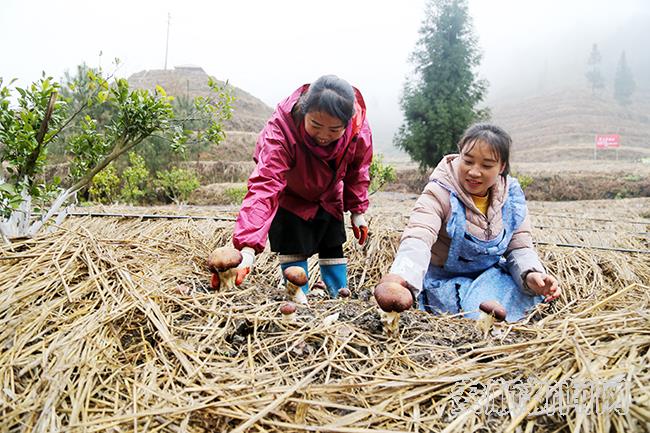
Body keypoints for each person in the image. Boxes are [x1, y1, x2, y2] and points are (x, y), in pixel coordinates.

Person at [377, 123, 560, 322]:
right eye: (468, 161)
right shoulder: (439, 192)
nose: (474, 172)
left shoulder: (511, 198)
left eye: (487, 165)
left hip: (490, 277)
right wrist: (401, 280)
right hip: (445, 279)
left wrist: (531, 275)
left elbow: (520, 247)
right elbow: (418, 236)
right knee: (475, 316)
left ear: (502, 167)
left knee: (521, 303)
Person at [218, 75, 373, 298]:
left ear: (347, 123)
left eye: (334, 130)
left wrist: (358, 211)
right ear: (303, 111)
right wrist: (248, 247)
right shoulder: (281, 129)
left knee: (333, 245)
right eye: (316, 125)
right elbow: (265, 184)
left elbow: (358, 169)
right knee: (293, 247)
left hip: (328, 196)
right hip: (290, 196)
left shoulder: (358, 130)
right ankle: (298, 297)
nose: (323, 136)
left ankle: (339, 296)